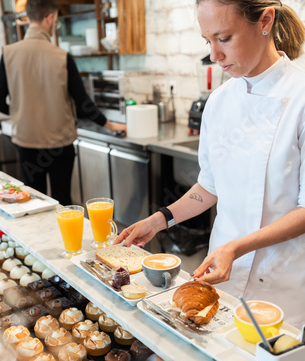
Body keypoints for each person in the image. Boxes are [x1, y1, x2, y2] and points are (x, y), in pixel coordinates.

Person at [115, 0, 305, 329]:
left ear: (265, 21)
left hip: (282, 281)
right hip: (222, 275)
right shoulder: (219, 102)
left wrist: (238, 246)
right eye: (208, 41)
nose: (214, 55)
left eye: (224, 38)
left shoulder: (301, 98)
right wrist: (160, 220)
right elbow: (210, 186)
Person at [0, 0, 126, 206]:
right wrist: (110, 125)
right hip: (59, 145)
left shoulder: (8, 54)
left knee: (30, 202)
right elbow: (83, 104)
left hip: (26, 143)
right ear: (50, 18)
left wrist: (21, 113)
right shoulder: (62, 57)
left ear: (29, 17)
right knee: (62, 203)